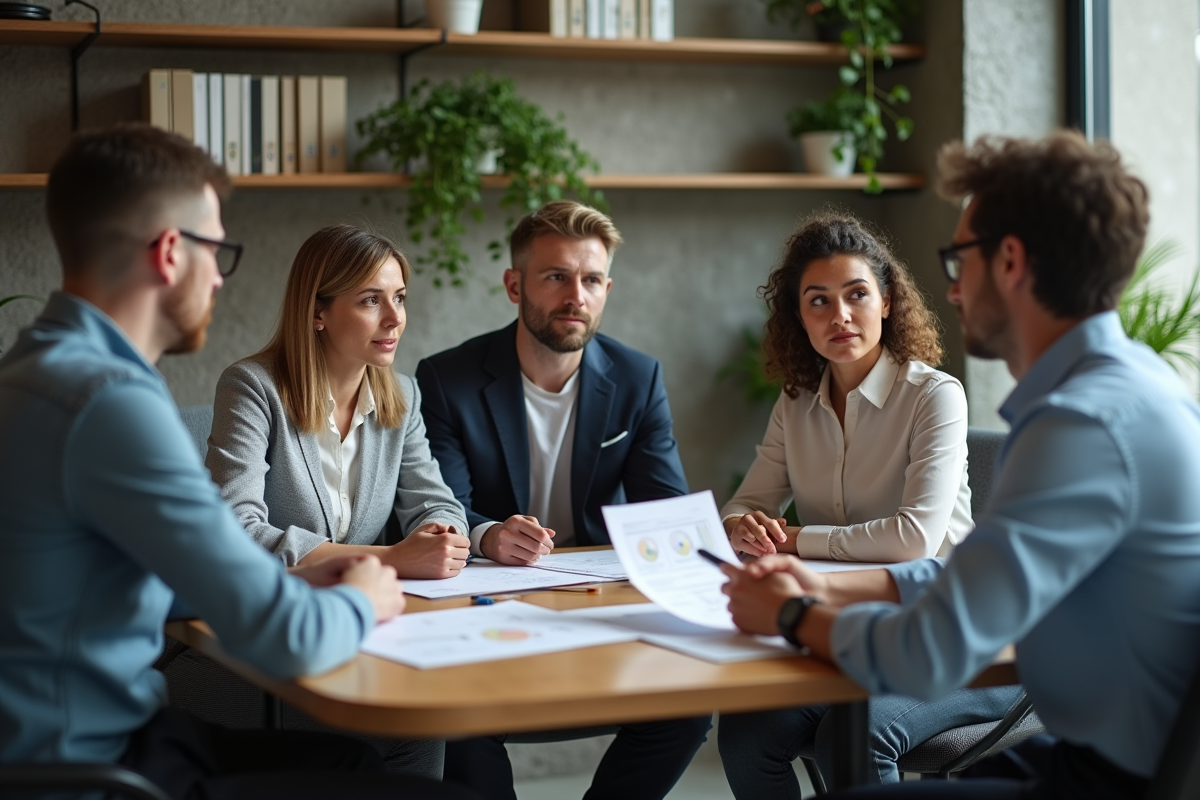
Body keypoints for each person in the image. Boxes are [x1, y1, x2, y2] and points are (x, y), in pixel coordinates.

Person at [0, 123, 474, 799]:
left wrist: (308, 574)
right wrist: (362, 596)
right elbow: (288, 640)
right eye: (217, 252)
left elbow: (142, 578)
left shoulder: (30, 372)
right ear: (170, 253)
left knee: (357, 768)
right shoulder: (111, 403)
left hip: (69, 742)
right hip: (95, 769)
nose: (220, 280)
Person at [721, 131, 1200, 800]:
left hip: (1111, 780)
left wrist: (794, 616)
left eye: (958, 260)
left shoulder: (1080, 424)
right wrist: (831, 588)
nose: (951, 289)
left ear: (1010, 261)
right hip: (1095, 756)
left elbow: (930, 650)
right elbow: (972, 575)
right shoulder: (1124, 387)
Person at [415, 200, 709, 800]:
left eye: (592, 279)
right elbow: (437, 504)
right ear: (514, 285)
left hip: (596, 598)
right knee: (456, 722)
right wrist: (490, 534)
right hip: (485, 601)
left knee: (688, 708)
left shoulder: (637, 378)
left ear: (607, 288)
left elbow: (666, 510)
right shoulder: (448, 378)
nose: (576, 295)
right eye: (556, 277)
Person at [717, 211, 1020, 793]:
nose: (840, 316)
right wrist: (743, 525)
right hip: (847, 627)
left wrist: (794, 539)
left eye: (857, 294)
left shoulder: (935, 396)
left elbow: (913, 541)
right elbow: (746, 502)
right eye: (818, 301)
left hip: (963, 633)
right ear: (798, 317)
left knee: (854, 735)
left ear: (886, 302)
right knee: (748, 730)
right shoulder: (796, 402)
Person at [171, 224, 469, 776]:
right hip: (252, 640)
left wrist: (446, 533)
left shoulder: (400, 394)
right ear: (318, 312)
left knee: (426, 723)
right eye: (371, 300)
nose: (395, 318)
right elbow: (235, 529)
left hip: (363, 628)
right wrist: (386, 560)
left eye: (399, 298)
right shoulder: (252, 388)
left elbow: (435, 501)